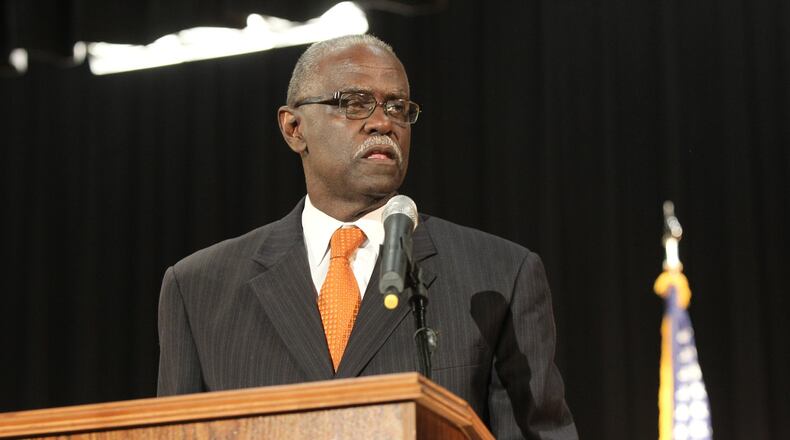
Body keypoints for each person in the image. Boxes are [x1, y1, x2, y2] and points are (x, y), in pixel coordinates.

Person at [157, 34, 578, 439]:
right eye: (354, 103)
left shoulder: (498, 275)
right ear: (294, 129)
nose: (383, 122)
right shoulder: (198, 289)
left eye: (397, 107)